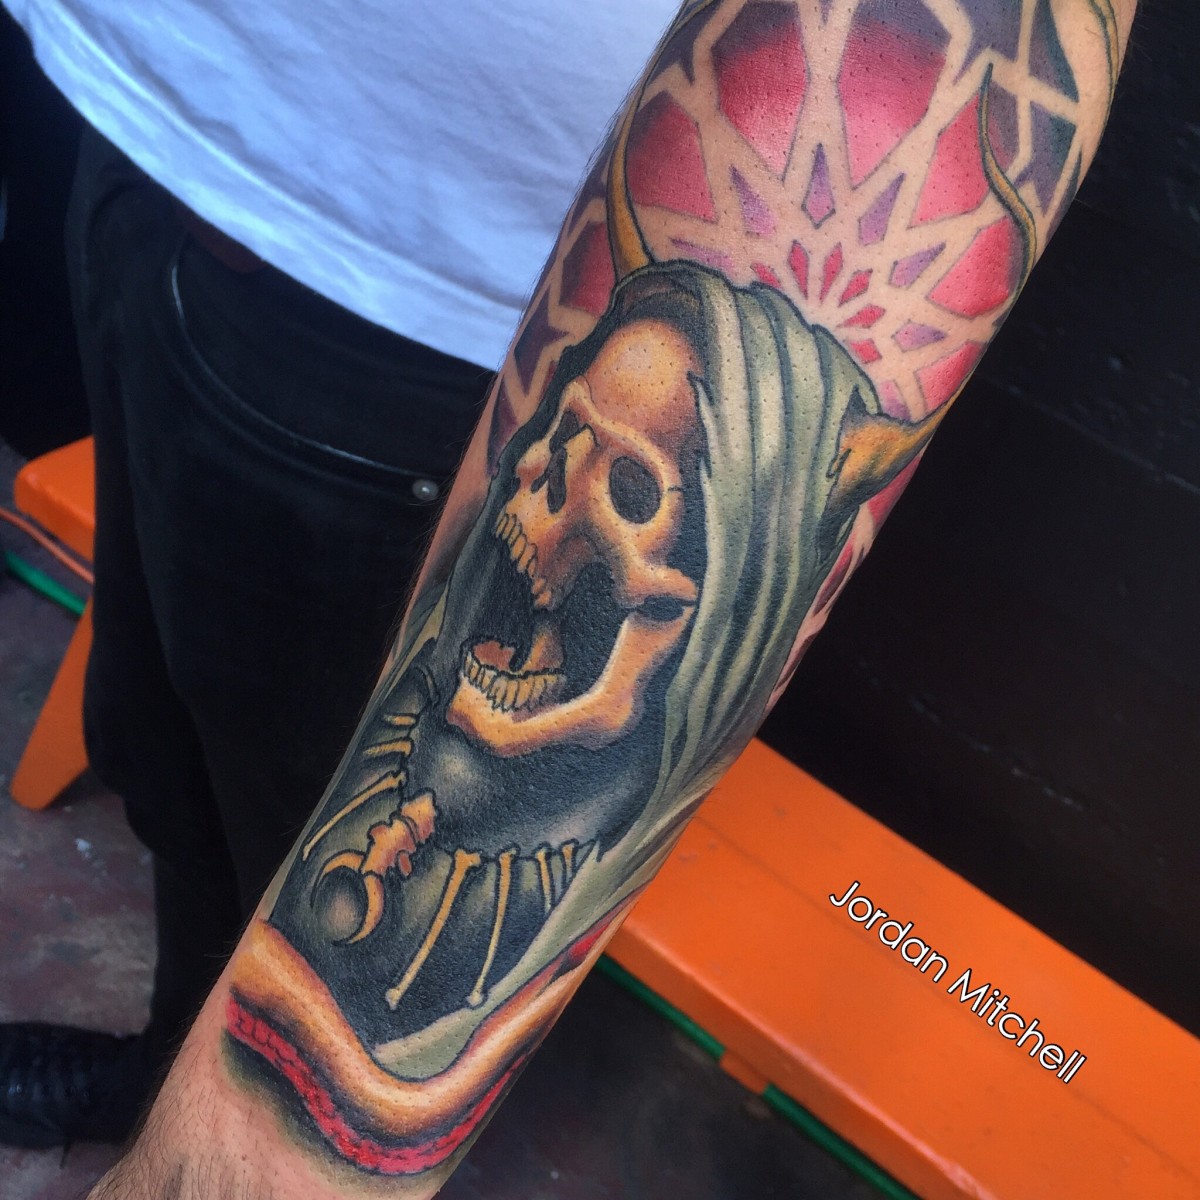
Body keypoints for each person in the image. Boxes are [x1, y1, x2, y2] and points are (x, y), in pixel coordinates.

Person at [0, 2, 1132, 1195]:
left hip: (421, 329)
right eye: (566, 461)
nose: (557, 508)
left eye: (630, 492)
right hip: (140, 132)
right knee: (166, 747)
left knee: (295, 828)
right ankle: (163, 1057)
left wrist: (230, 1176)